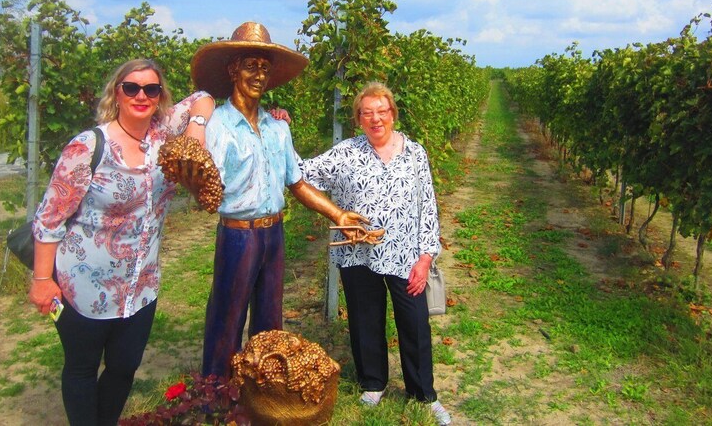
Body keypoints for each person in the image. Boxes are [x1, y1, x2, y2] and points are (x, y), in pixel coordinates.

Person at [28, 59, 215, 426]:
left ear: (160, 96)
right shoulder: (88, 146)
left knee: (124, 366)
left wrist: (196, 131)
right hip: (83, 287)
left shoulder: (164, 135)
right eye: (132, 87)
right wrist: (41, 280)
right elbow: (50, 218)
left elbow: (204, 96)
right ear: (117, 92)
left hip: (140, 286)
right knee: (81, 369)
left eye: (151, 88)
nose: (141, 95)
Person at [188, 21, 371, 381]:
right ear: (232, 70)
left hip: (274, 234)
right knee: (227, 315)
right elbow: (205, 189)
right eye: (250, 65)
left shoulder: (277, 127)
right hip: (237, 235)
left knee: (271, 318)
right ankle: (214, 394)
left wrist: (337, 214)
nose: (258, 75)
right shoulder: (219, 126)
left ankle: (263, 392)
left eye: (264, 68)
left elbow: (298, 183)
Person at [300, 82, 452, 426]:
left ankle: (423, 394)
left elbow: (427, 206)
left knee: (414, 322)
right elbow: (303, 171)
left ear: (393, 114)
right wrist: (279, 127)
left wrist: (426, 257)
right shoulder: (346, 152)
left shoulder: (415, 153)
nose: (375, 119)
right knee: (364, 318)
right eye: (367, 113)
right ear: (358, 119)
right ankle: (373, 383)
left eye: (381, 111)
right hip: (359, 253)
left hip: (404, 255)